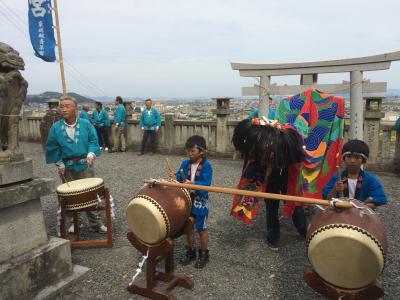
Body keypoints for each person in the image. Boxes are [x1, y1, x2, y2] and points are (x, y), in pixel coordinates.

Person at [45, 96, 107, 234]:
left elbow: (93, 140)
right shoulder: (55, 128)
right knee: (70, 197)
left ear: (75, 108)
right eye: (61, 106)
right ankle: (75, 222)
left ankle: (96, 223)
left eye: (67, 106)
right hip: (67, 167)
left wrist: (91, 154)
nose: (64, 109)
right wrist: (59, 163)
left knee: (90, 194)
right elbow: (52, 147)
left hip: (85, 164)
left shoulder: (86, 124)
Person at [169, 135, 213, 268]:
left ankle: (204, 254)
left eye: (192, 151)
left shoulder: (206, 166)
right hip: (187, 200)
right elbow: (178, 177)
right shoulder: (185, 164)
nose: (190, 153)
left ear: (201, 151)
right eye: (188, 151)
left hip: (200, 201)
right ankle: (191, 252)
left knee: (201, 228)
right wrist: (173, 177)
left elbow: (206, 184)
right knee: (188, 227)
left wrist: (193, 184)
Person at [322, 139, 387, 209]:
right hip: (339, 213)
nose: (352, 160)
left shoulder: (370, 179)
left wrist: (360, 207)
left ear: (363, 160)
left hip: (362, 214)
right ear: (344, 158)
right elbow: (327, 199)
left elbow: (378, 199)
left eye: (357, 157)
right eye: (349, 157)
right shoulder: (336, 177)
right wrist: (335, 189)